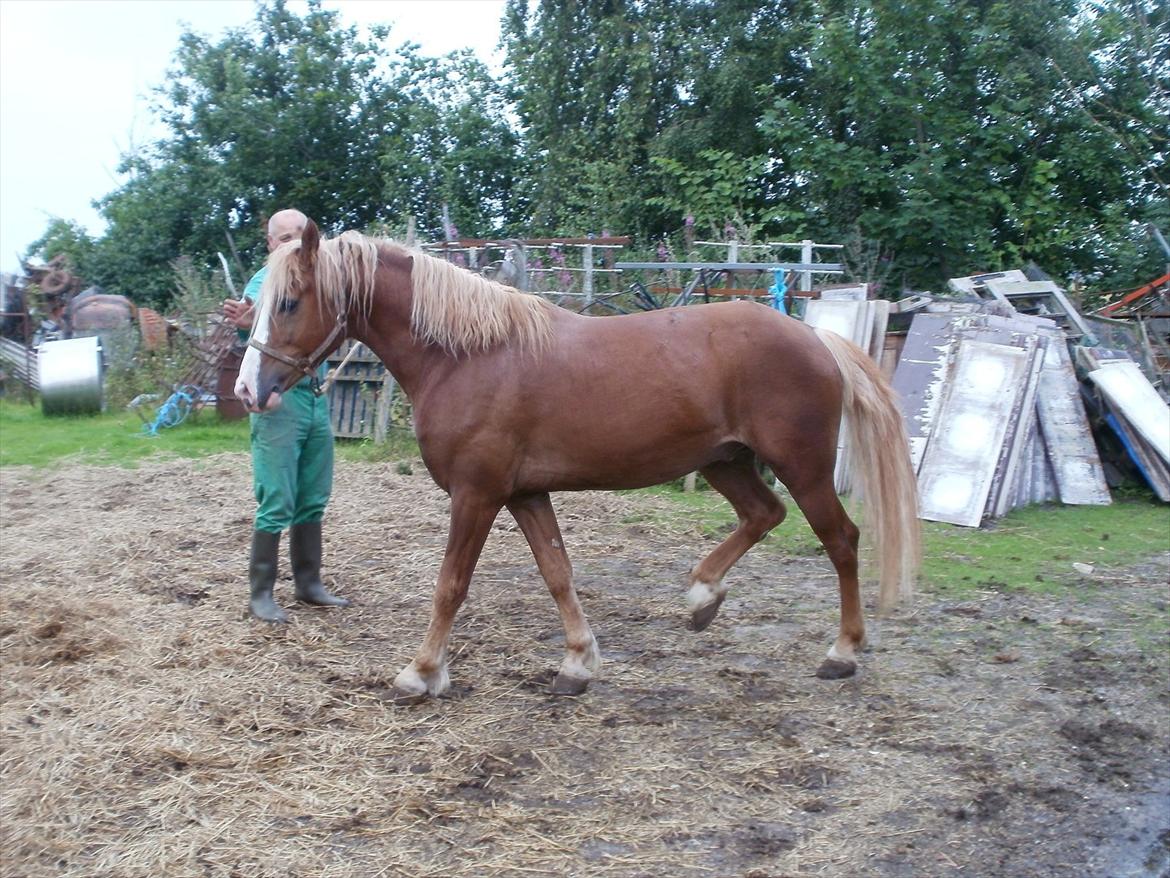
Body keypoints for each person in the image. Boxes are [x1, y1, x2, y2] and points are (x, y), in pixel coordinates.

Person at [223, 208, 349, 622]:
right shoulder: (265, 281)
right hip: (280, 401)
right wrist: (245, 326)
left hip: (315, 397)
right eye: (283, 237)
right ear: (270, 244)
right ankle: (260, 593)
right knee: (277, 497)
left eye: (299, 234)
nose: (291, 242)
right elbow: (258, 335)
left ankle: (308, 583)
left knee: (313, 494)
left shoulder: (318, 277)